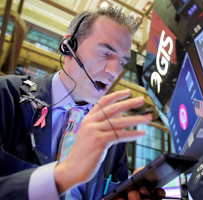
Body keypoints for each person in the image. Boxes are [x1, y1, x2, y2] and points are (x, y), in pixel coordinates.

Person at [0, 6, 164, 200]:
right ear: (69, 46)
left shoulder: (109, 129)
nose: (114, 71)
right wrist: (64, 175)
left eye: (121, 62)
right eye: (105, 53)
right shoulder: (6, 94)